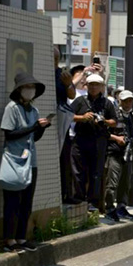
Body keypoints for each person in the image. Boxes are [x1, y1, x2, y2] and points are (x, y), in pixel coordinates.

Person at [0, 71, 51, 252]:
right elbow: (9, 134)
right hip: (14, 160)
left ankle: (21, 237)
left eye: (33, 88)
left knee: (26, 202)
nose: (30, 91)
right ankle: (9, 239)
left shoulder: (34, 110)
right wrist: (33, 127)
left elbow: (34, 136)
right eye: (27, 87)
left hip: (30, 161)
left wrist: (42, 128)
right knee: (13, 201)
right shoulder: (11, 108)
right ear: (19, 89)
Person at [70, 71, 119, 211]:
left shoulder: (107, 103)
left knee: (96, 172)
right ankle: (79, 198)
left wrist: (104, 121)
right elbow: (68, 115)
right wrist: (82, 117)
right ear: (86, 86)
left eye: (96, 85)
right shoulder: (80, 101)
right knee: (78, 170)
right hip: (80, 139)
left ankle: (93, 202)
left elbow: (115, 121)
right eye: (91, 85)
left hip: (99, 141)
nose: (93, 88)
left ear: (102, 87)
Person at [103, 89, 133, 223]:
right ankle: (109, 208)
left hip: (128, 154)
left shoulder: (132, 116)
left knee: (125, 183)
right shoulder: (113, 114)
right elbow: (104, 132)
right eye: (125, 101)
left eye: (130, 100)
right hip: (114, 152)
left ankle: (121, 207)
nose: (128, 103)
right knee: (112, 183)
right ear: (120, 101)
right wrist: (116, 138)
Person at [57, 61, 86, 204]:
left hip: (63, 122)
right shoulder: (46, 72)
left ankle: (67, 194)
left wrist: (68, 82)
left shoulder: (61, 75)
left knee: (66, 161)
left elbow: (71, 94)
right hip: (52, 120)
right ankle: (62, 194)